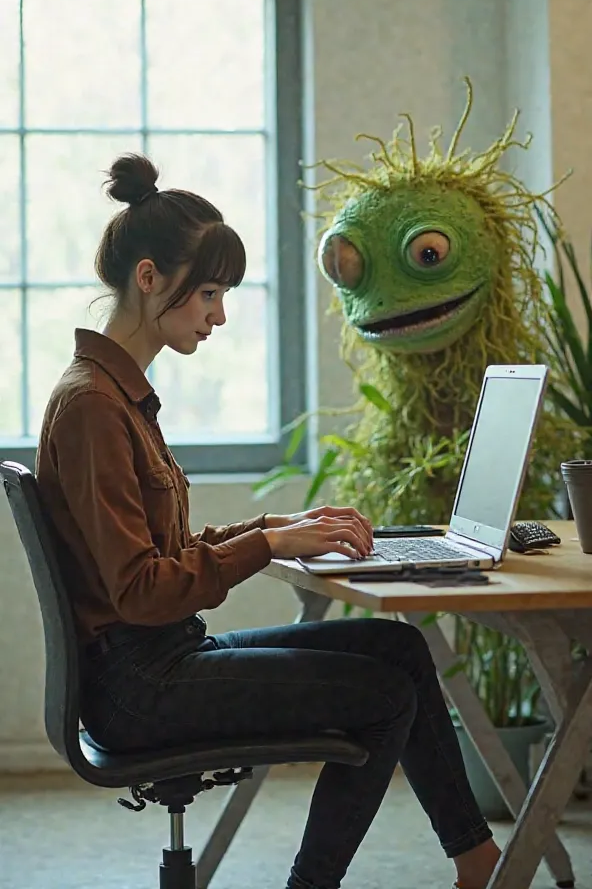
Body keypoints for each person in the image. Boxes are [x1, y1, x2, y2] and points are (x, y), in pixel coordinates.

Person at [36, 153, 501, 889]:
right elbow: (141, 591)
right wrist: (268, 544)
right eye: (210, 293)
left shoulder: (115, 395)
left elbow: (163, 554)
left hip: (162, 657)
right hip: (142, 683)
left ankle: (478, 860)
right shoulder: (93, 406)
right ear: (150, 277)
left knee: (399, 651)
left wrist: (282, 524)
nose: (219, 315)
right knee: (386, 699)